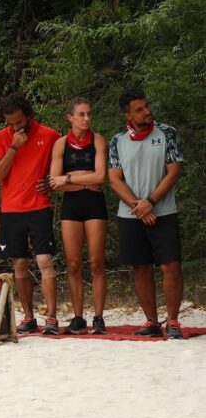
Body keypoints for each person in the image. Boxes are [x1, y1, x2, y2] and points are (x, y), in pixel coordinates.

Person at [108, 88, 184, 338]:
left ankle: (173, 321)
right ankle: (152, 321)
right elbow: (114, 179)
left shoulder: (168, 133)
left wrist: (150, 202)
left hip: (164, 211)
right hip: (131, 215)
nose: (147, 111)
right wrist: (138, 207)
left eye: (147, 106)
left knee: (171, 266)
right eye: (139, 109)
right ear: (127, 115)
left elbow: (174, 171)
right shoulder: (118, 140)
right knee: (141, 267)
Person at [0, 93, 60, 335]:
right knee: (19, 264)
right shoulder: (2, 137)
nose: (15, 127)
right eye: (10, 123)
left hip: (39, 206)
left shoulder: (50, 135)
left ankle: (51, 317)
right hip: (11, 209)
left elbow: (61, 167)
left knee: (44, 261)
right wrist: (13, 147)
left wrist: (52, 182)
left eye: (18, 121)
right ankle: (29, 316)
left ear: (28, 115)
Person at [49, 98, 108, 334]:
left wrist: (69, 178)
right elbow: (55, 182)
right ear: (70, 117)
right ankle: (78, 317)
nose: (86, 118)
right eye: (81, 114)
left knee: (96, 262)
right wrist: (84, 180)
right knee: (73, 263)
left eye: (89, 114)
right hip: (71, 206)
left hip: (95, 204)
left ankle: (99, 317)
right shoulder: (60, 144)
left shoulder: (98, 140)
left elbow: (100, 177)